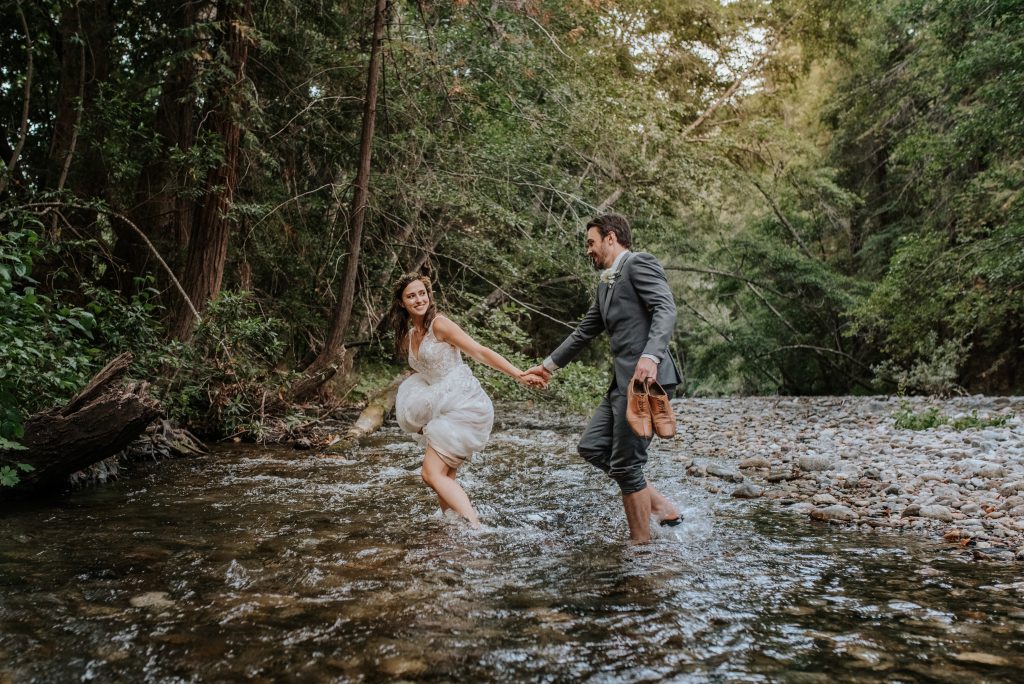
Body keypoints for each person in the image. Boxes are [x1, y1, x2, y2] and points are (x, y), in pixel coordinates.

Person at [527, 214, 683, 543]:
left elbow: (665, 308)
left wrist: (650, 356)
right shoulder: (605, 285)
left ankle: (640, 547)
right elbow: (584, 332)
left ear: (610, 238)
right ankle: (662, 507)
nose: (588, 251)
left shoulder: (640, 263)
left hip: (645, 384)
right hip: (621, 384)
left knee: (627, 466)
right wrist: (547, 367)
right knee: (592, 447)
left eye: (591, 243)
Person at [391, 272, 545, 529]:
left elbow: (478, 351)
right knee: (444, 476)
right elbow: (425, 373)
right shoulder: (409, 335)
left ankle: (475, 528)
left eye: (422, 293)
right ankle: (454, 530)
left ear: (429, 295)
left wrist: (518, 374)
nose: (419, 299)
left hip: (464, 404)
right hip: (443, 407)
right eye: (411, 295)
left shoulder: (439, 324)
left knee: (430, 474)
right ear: (401, 302)